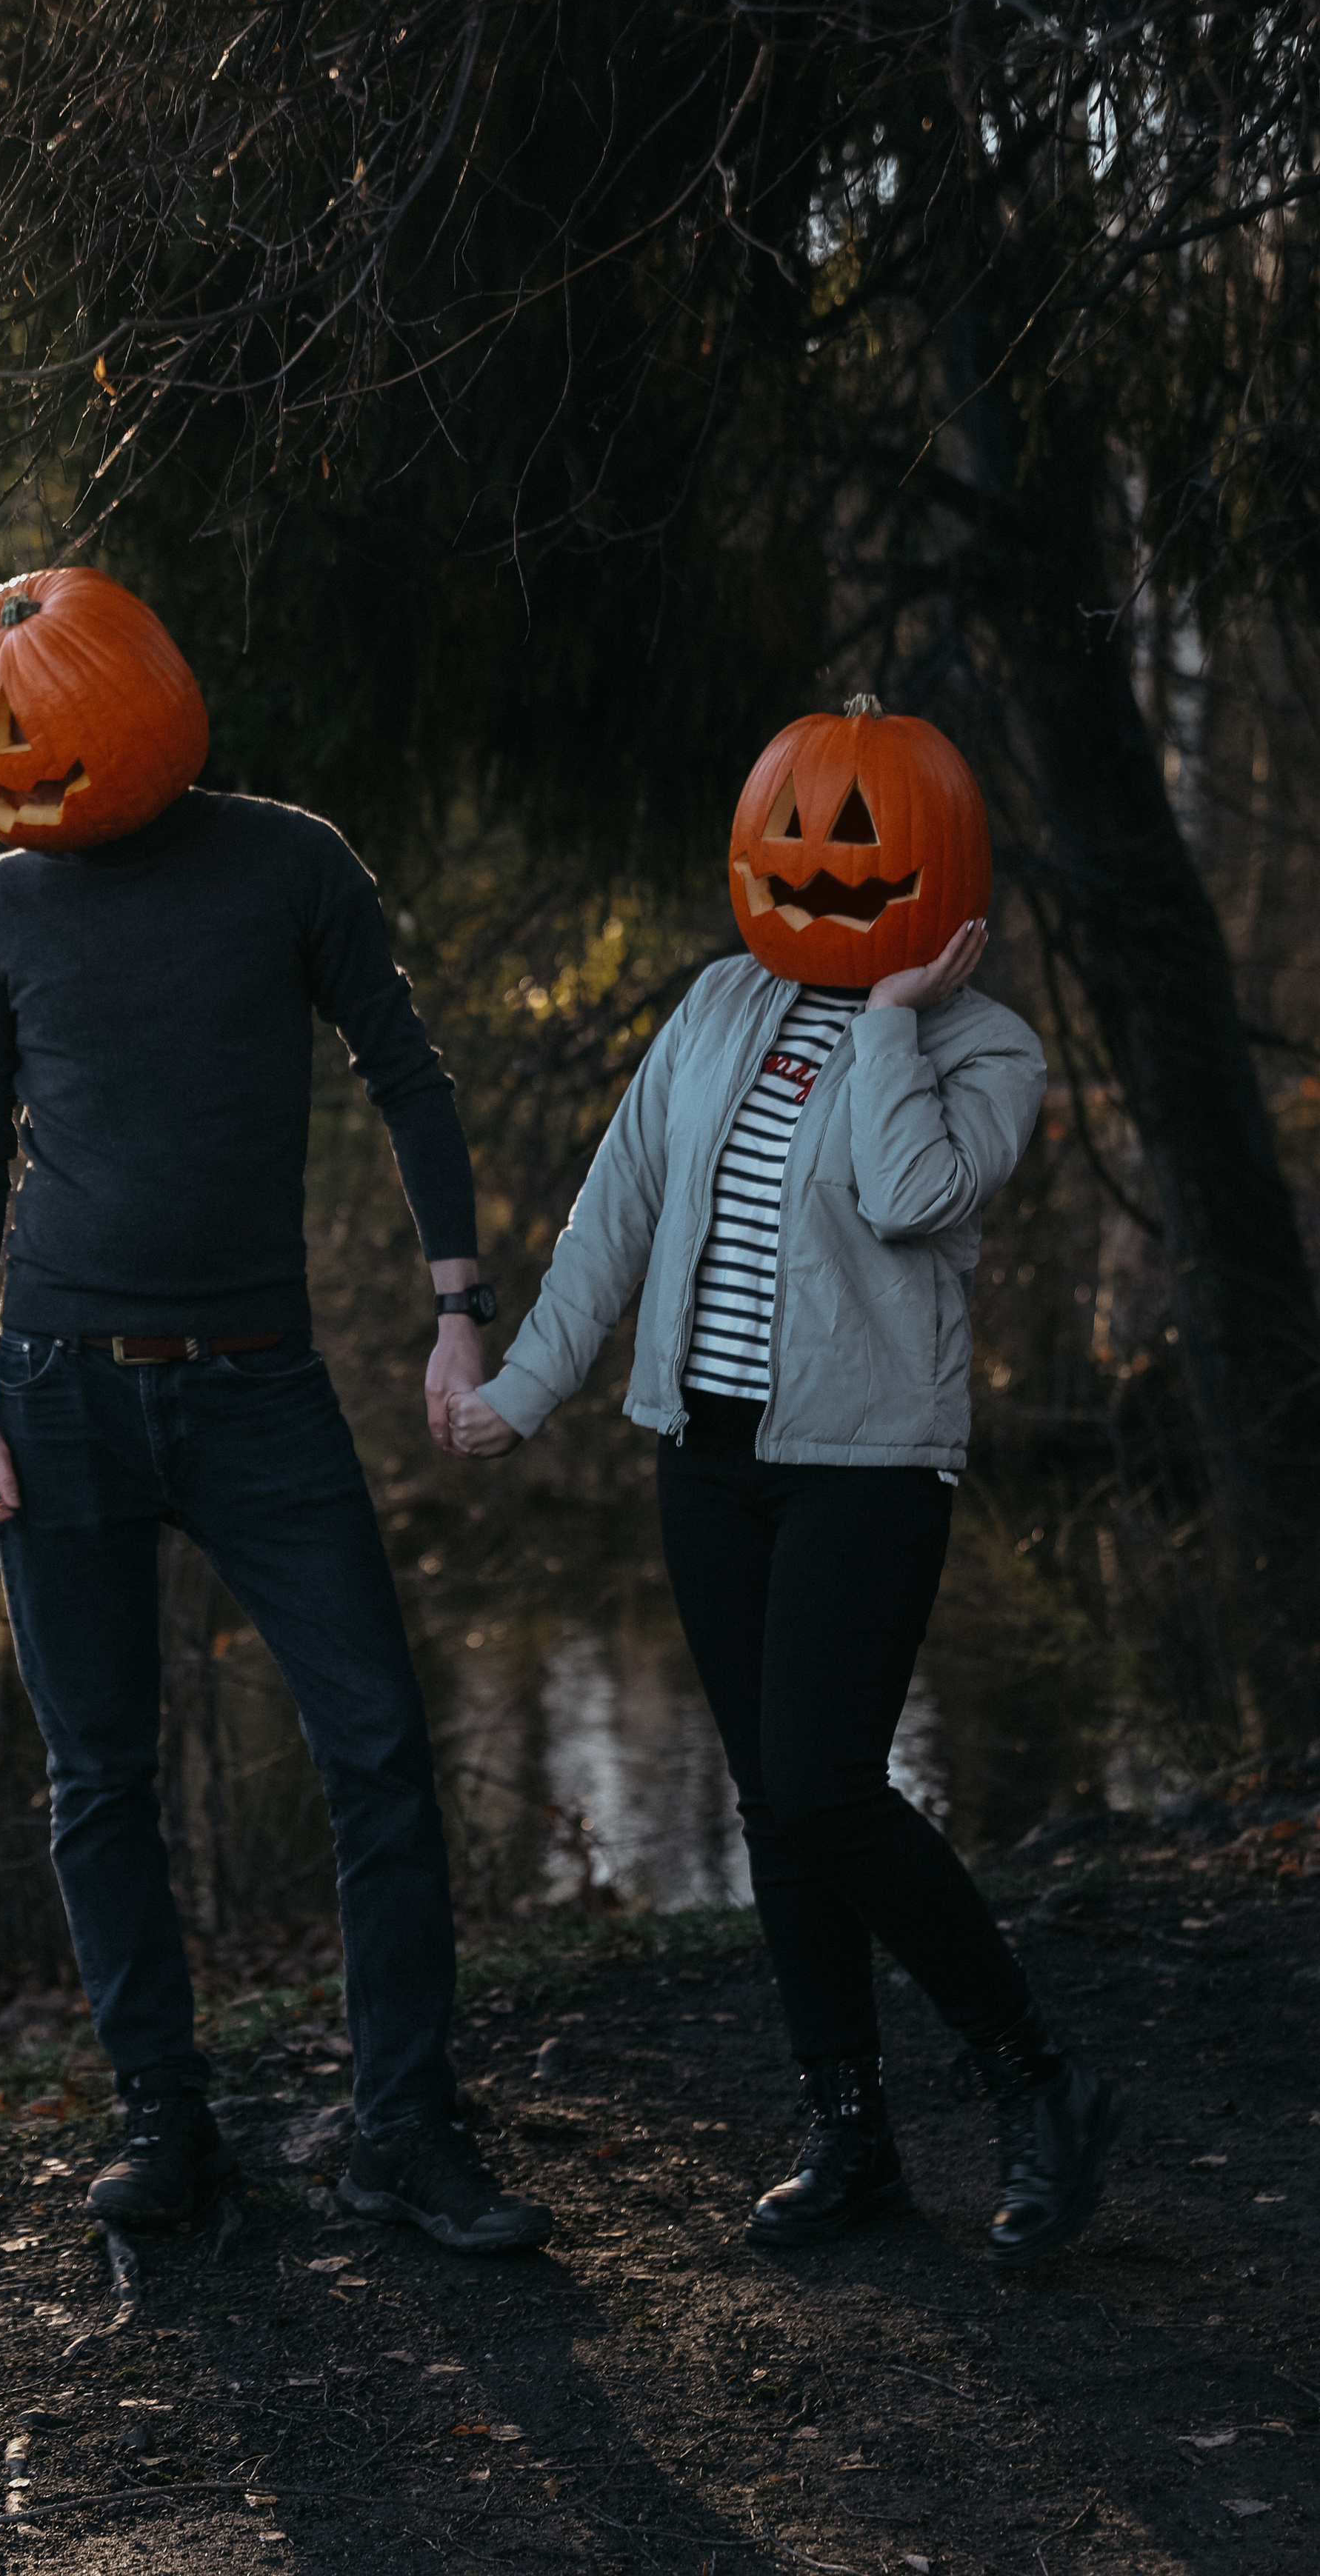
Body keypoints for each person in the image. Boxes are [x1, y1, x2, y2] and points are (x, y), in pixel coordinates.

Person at [0, 583, 550, 2255]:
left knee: (378, 1753)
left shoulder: (289, 863)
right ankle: (166, 2128)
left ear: (145, 694)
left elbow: (404, 1069)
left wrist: (454, 1313)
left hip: (262, 1383)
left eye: (49, 716)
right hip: (56, 1395)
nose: (21, 756)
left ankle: (401, 2130)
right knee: (98, 1779)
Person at [447, 902, 1121, 2267]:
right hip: (707, 1457)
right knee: (773, 1804)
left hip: (865, 1464)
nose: (840, 879)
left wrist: (886, 1021)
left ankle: (1039, 2084)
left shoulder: (988, 1047)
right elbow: (619, 1200)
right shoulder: (718, 1003)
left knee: (828, 1789)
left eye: (877, 855)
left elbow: (913, 1196)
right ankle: (851, 2135)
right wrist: (524, 1386)